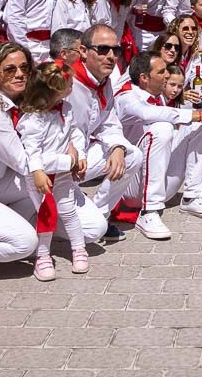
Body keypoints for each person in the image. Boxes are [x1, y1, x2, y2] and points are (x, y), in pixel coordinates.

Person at [115, 52, 202, 238]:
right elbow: (146, 113)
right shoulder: (126, 97)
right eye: (161, 72)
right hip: (130, 186)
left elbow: (175, 112)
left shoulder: (159, 95)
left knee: (200, 126)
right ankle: (149, 212)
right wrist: (198, 114)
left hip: (159, 182)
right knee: (162, 128)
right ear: (144, 78)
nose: (167, 75)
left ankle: (193, 196)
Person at [63, 25, 143, 244]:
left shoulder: (104, 82)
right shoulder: (65, 80)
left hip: (81, 162)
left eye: (115, 51)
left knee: (131, 154)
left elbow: (109, 123)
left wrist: (117, 147)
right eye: (102, 49)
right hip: (58, 164)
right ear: (83, 51)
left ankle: (100, 213)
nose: (110, 56)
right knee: (89, 233)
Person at [15, 62, 89, 280]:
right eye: (70, 84)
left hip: (63, 173)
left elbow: (75, 133)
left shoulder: (65, 108)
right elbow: (32, 151)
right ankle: (43, 255)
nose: (73, 86)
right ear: (55, 90)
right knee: (47, 213)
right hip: (44, 175)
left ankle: (79, 248)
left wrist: (81, 155)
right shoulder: (32, 120)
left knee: (68, 210)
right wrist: (38, 170)